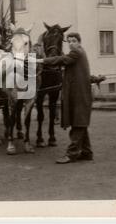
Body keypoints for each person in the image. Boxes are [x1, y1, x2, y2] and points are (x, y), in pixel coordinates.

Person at [38, 32, 94, 164]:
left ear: (79, 42)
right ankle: (86, 152)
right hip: (81, 94)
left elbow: (61, 60)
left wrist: (40, 60)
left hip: (79, 95)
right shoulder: (80, 52)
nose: (71, 43)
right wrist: (95, 78)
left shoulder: (76, 53)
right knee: (81, 124)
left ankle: (71, 154)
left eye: (74, 41)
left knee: (77, 125)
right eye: (69, 41)